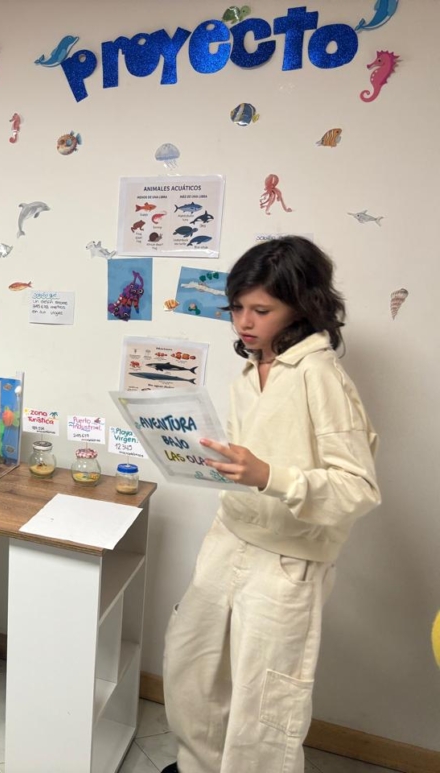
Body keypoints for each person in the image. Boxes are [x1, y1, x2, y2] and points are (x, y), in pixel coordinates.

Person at [160, 236, 381, 773]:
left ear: (301, 306)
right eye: (237, 307)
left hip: (287, 560)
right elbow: (247, 459)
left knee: (264, 702)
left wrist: (269, 477)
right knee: (192, 670)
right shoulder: (250, 371)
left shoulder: (320, 375)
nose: (244, 322)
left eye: (261, 310)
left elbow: (358, 488)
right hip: (229, 538)